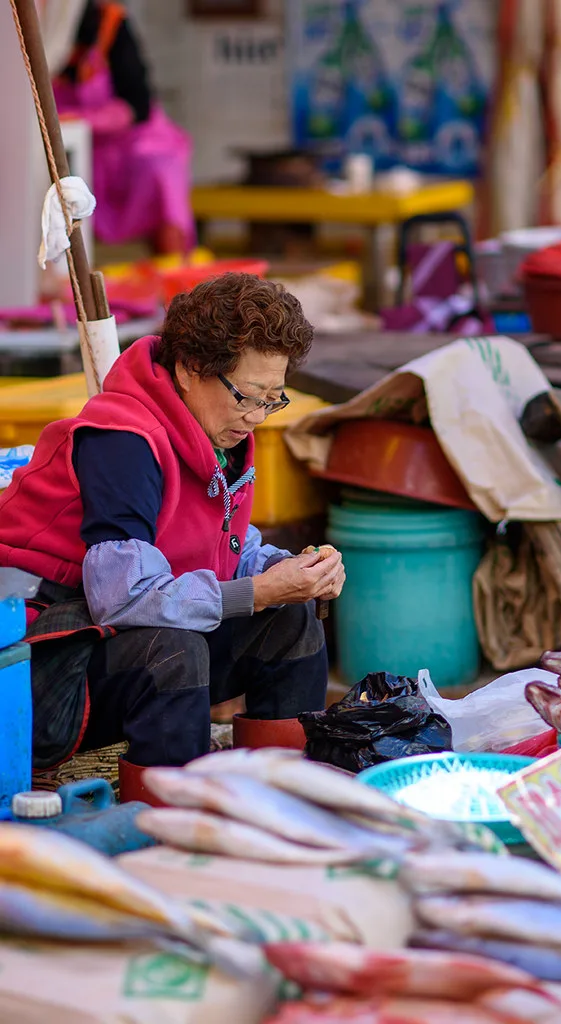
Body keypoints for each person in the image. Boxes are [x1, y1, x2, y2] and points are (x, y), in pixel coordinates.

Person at [0, 274, 345, 794]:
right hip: (35, 662)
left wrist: (288, 570)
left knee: (290, 620)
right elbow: (122, 599)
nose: (256, 418)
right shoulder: (122, 442)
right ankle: (170, 831)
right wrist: (259, 591)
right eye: (247, 397)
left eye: (273, 401)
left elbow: (220, 544)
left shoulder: (216, 432)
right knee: (172, 653)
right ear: (188, 369)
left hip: (112, 639)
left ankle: (283, 801)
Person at [52, 0, 194, 254]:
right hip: (73, 147)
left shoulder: (109, 25)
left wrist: (83, 120)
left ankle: (175, 273)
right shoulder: (38, 35)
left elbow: (138, 105)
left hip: (134, 140)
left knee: (160, 175)